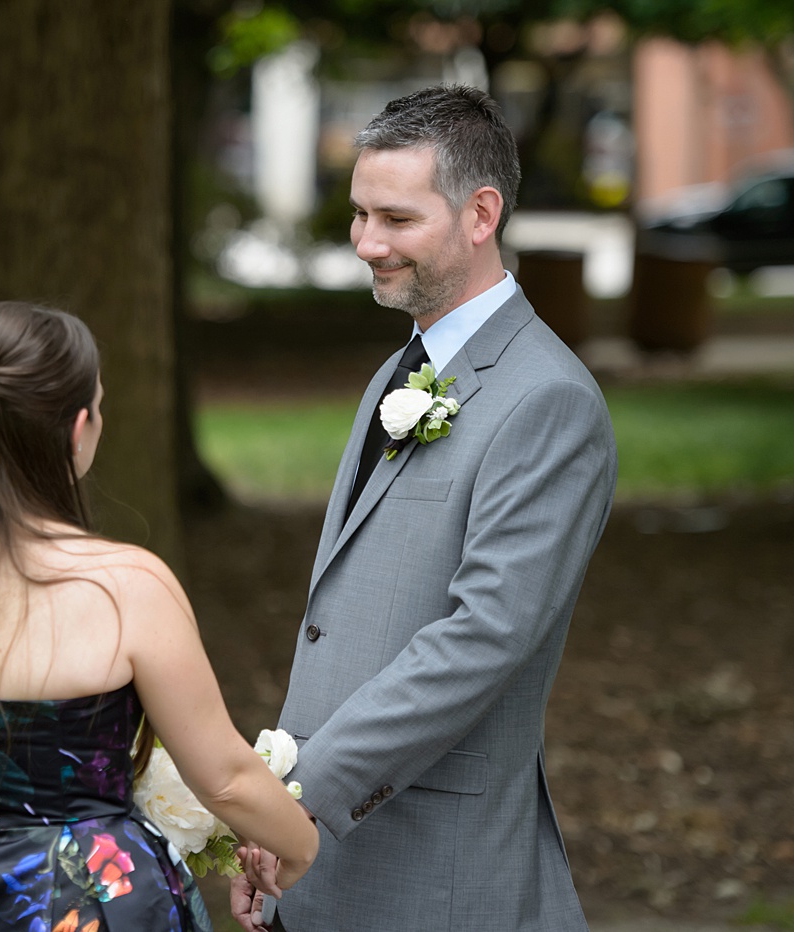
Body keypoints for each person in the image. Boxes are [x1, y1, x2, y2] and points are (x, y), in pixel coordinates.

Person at [231, 85, 618, 931]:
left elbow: (483, 637)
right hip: (326, 852)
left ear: (482, 213)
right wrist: (279, 822)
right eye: (359, 215)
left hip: (432, 870)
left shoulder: (548, 401)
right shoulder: (401, 368)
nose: (367, 242)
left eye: (397, 220)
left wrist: (297, 799)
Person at [0, 301, 320, 931]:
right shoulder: (129, 585)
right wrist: (299, 850)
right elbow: (225, 780)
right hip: (95, 901)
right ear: (79, 426)